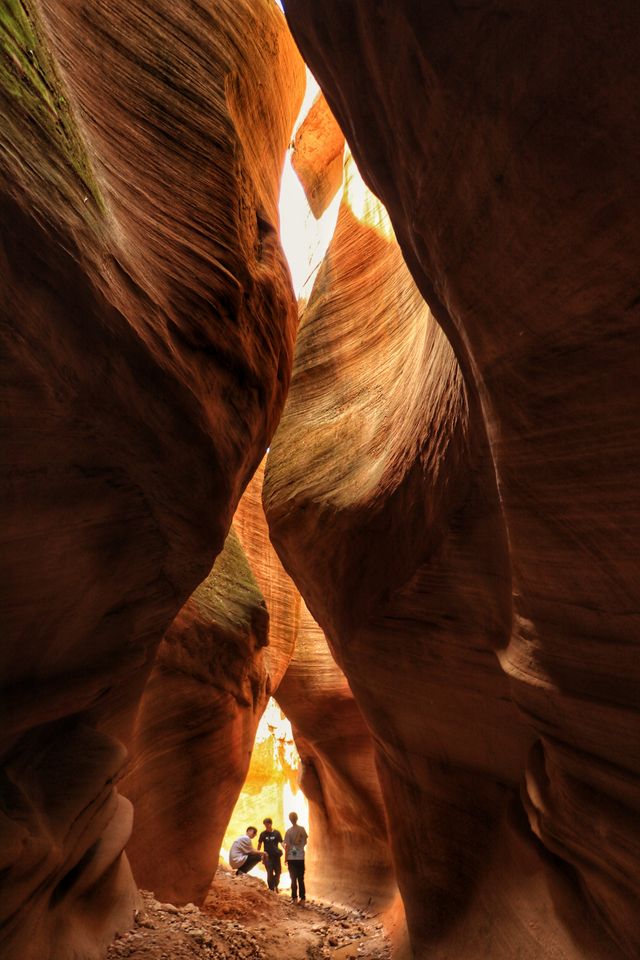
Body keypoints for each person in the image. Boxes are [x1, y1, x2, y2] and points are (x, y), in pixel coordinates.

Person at [284, 811, 308, 903]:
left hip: (292, 859)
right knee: (301, 878)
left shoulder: (289, 831)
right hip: (301, 858)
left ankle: (294, 898)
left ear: (290, 820)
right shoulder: (302, 829)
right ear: (297, 818)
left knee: (293, 879)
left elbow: (287, 846)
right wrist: (299, 849)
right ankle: (303, 898)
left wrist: (286, 858)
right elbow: (305, 842)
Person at [258, 817, 283, 892]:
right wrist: (258, 854)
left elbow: (281, 842)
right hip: (267, 857)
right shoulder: (262, 834)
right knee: (269, 873)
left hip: (276, 856)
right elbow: (259, 844)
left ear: (270, 824)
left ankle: (276, 885)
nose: (266, 826)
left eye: (267, 824)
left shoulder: (277, 833)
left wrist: (287, 849)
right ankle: (271, 890)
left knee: (278, 872)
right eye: (265, 825)